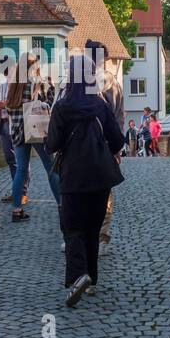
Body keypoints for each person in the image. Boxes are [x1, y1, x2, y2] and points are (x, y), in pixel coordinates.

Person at [46, 50, 125, 307]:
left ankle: (79, 275)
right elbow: (117, 140)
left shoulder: (62, 106)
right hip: (100, 176)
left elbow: (53, 143)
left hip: (73, 174)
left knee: (72, 227)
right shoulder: (100, 104)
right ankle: (91, 278)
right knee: (92, 227)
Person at [7, 53, 60, 221]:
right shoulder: (37, 83)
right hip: (35, 130)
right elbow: (50, 103)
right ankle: (61, 204)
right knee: (50, 168)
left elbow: (9, 109)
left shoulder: (14, 85)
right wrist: (50, 84)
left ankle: (16, 210)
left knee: (21, 170)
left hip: (17, 131)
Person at [89, 41, 126, 251]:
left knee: (80, 190)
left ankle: (80, 234)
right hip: (106, 145)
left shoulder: (75, 82)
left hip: (80, 146)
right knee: (105, 193)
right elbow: (119, 117)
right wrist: (117, 149)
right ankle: (102, 237)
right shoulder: (112, 83)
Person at [0, 74, 19, 202]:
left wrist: (5, 105)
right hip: (2, 123)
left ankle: (21, 192)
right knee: (10, 159)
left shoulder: (17, 84)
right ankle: (16, 190)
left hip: (14, 123)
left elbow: (19, 105)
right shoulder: (1, 85)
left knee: (19, 160)